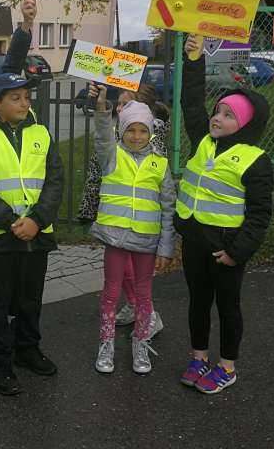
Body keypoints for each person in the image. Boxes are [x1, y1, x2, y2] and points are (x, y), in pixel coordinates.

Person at [176, 35, 273, 394]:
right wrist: (194, 57)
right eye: (217, 111)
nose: (217, 118)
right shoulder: (203, 139)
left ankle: (227, 366)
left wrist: (237, 252)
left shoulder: (255, 160)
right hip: (195, 241)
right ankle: (199, 358)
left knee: (227, 307)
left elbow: (260, 214)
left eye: (228, 115)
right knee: (198, 303)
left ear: (245, 123)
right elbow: (190, 101)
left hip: (226, 249)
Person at [0, 73, 64, 396]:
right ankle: (1, 360)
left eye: (27, 97)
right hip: (0, 236)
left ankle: (27, 348)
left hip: (37, 234)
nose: (24, 103)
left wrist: (36, 220)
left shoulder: (41, 134)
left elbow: (54, 180)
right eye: (15, 98)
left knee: (30, 297)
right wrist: (10, 221)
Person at [87, 85, 175, 375]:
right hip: (115, 236)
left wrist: (165, 247)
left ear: (151, 133)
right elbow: (102, 135)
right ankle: (106, 343)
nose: (136, 136)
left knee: (144, 294)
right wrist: (102, 107)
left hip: (146, 240)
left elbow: (168, 208)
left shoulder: (160, 164)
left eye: (142, 131)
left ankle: (141, 342)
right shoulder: (112, 156)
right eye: (130, 130)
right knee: (111, 292)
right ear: (121, 131)